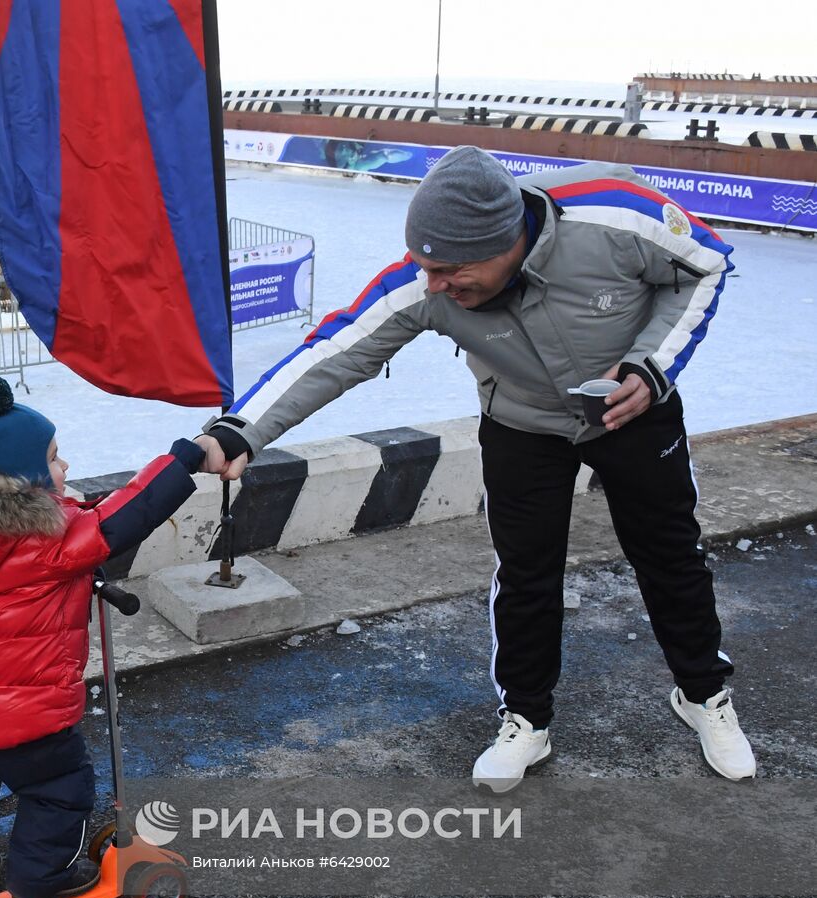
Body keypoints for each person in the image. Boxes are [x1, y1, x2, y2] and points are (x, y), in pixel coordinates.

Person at [197, 145, 755, 793]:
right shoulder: (426, 281)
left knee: (669, 556)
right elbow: (336, 349)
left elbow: (705, 265)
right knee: (525, 574)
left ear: (504, 243)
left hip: (631, 407)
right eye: (425, 267)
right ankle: (526, 719)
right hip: (520, 423)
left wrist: (650, 364)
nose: (432, 285)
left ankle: (702, 694)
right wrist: (243, 430)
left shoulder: (616, 218)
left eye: (449, 270)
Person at [0, 371, 206, 898]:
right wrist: (187, 456)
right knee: (61, 793)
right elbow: (126, 515)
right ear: (28, 477)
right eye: (56, 458)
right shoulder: (47, 541)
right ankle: (41, 878)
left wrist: (67, 504)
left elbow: (79, 521)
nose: (66, 466)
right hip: (28, 717)